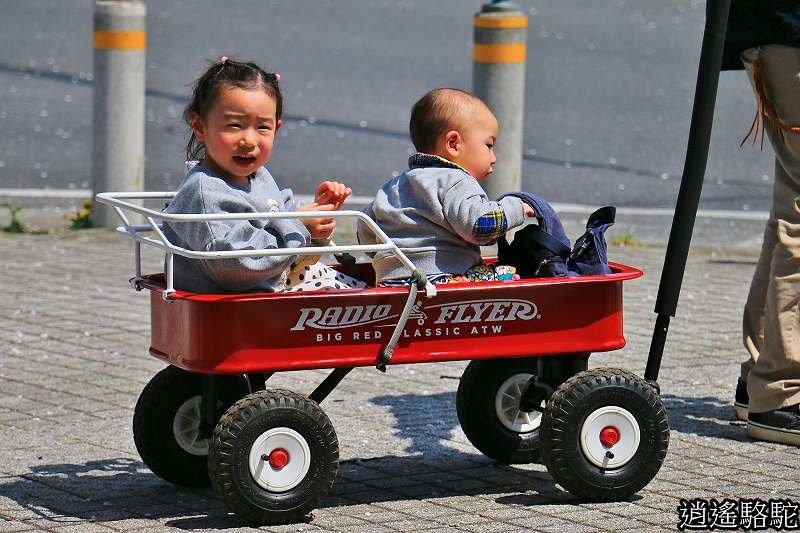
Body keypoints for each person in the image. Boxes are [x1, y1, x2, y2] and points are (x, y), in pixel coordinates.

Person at [162, 57, 366, 293]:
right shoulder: (205, 191)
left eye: (262, 128)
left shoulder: (260, 176)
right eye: (234, 125)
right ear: (199, 127)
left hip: (274, 287)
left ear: (276, 129)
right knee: (367, 309)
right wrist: (298, 226)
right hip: (236, 305)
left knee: (370, 294)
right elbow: (235, 266)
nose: (248, 140)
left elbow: (282, 219)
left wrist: (317, 217)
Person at [357, 87, 533, 286]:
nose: (493, 158)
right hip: (443, 280)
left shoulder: (394, 187)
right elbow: (480, 226)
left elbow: (366, 231)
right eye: (489, 145)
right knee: (510, 273)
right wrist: (516, 208)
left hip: (391, 283)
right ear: (453, 144)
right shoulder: (456, 181)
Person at [723, 1, 800, 445]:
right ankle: (781, 390)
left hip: (776, 28)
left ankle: (763, 379)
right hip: (789, 31)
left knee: (792, 208)